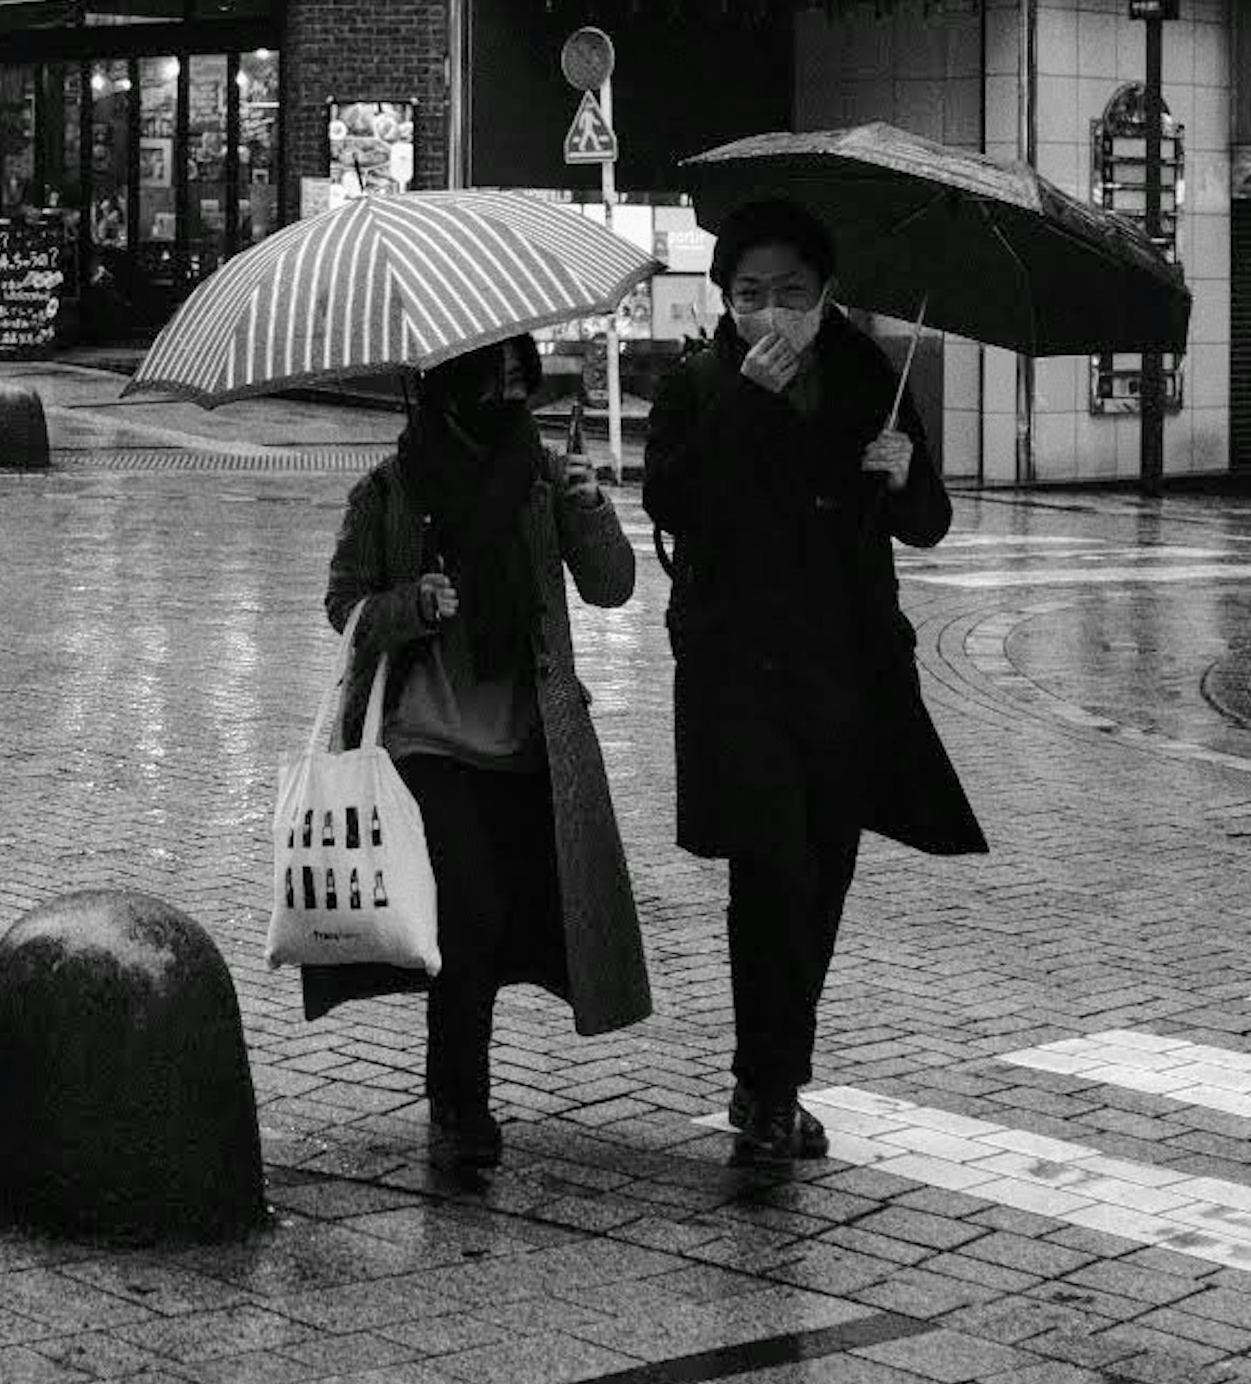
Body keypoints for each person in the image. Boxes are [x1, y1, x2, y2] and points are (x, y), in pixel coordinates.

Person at [643, 201, 987, 1176]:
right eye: (749, 294)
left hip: (848, 672)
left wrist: (907, 469)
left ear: (826, 295)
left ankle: (774, 1081)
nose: (770, 313)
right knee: (771, 873)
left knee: (823, 877)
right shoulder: (701, 381)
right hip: (739, 676)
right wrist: (748, 401)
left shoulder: (870, 376)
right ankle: (768, 1088)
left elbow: (923, 522)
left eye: (791, 294)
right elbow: (673, 498)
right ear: (724, 297)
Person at [316, 337, 652, 1173]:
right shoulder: (390, 491)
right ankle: (460, 1102)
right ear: (444, 383)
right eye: (491, 377)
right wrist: (411, 604)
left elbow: (613, 586)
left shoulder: (542, 479)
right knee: (470, 915)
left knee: (508, 925)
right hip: (424, 741)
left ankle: (458, 1093)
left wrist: (589, 506)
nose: (508, 394)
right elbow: (343, 607)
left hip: (530, 743)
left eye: (518, 377)